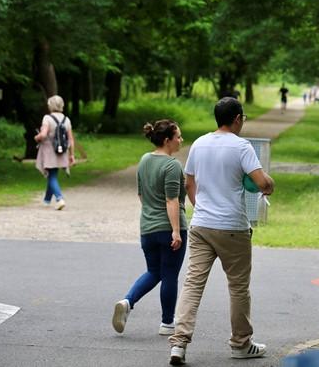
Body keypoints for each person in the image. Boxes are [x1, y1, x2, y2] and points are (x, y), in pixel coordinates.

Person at [168, 97, 275, 366]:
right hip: (233, 229)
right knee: (238, 287)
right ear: (237, 118)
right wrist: (268, 184)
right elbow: (263, 183)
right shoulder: (242, 147)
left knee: (193, 284)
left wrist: (201, 207)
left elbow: (188, 182)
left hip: (201, 225)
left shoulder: (199, 144)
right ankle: (241, 343)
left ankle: (178, 344)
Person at [112, 120, 188, 337]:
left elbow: (141, 194)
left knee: (154, 271)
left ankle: (128, 301)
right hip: (169, 228)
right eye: (178, 137)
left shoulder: (144, 160)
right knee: (170, 274)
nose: (181, 140)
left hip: (147, 228)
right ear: (167, 140)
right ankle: (167, 323)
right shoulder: (172, 165)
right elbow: (171, 200)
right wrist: (175, 230)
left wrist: (151, 216)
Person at [34, 95, 75, 210]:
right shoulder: (67, 120)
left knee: (51, 176)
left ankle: (59, 198)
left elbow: (43, 135)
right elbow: (70, 139)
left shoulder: (47, 118)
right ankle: (47, 200)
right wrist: (71, 155)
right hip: (62, 151)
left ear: (50, 106)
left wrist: (36, 137)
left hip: (49, 151)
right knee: (53, 174)